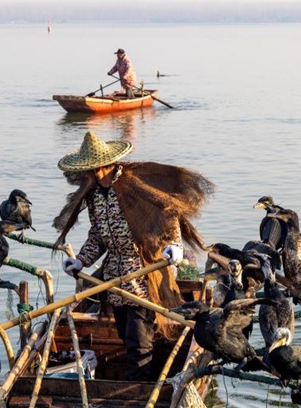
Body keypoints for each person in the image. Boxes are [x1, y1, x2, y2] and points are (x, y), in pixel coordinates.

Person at [54, 131, 214, 381]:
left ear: (101, 168)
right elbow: (98, 235)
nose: (85, 175)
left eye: (89, 170)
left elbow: (167, 214)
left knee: (139, 343)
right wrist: (81, 260)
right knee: (124, 334)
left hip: (142, 276)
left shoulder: (134, 187)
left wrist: (174, 246)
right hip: (114, 281)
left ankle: (138, 390)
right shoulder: (95, 196)